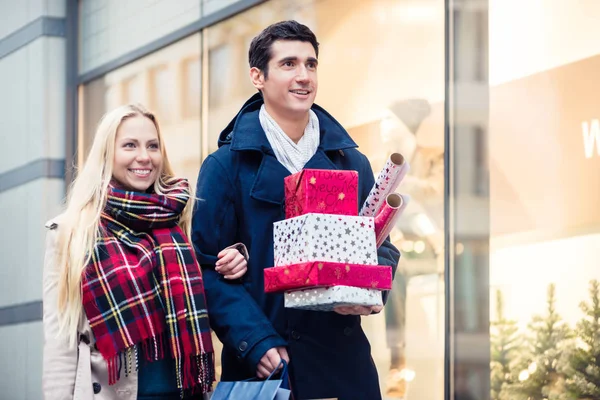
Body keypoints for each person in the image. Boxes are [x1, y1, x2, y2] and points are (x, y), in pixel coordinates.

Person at [191, 21, 400, 400]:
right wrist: (255, 342)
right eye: (289, 64)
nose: (304, 76)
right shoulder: (224, 167)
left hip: (343, 364)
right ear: (258, 76)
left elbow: (383, 244)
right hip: (267, 366)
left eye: (311, 64)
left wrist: (368, 290)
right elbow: (206, 269)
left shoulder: (352, 162)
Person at [42, 104, 248, 400]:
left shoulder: (181, 217)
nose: (144, 156)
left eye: (153, 146)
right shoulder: (72, 232)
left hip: (183, 391)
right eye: (130, 145)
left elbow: (209, 282)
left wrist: (236, 259)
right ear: (107, 153)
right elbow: (60, 345)